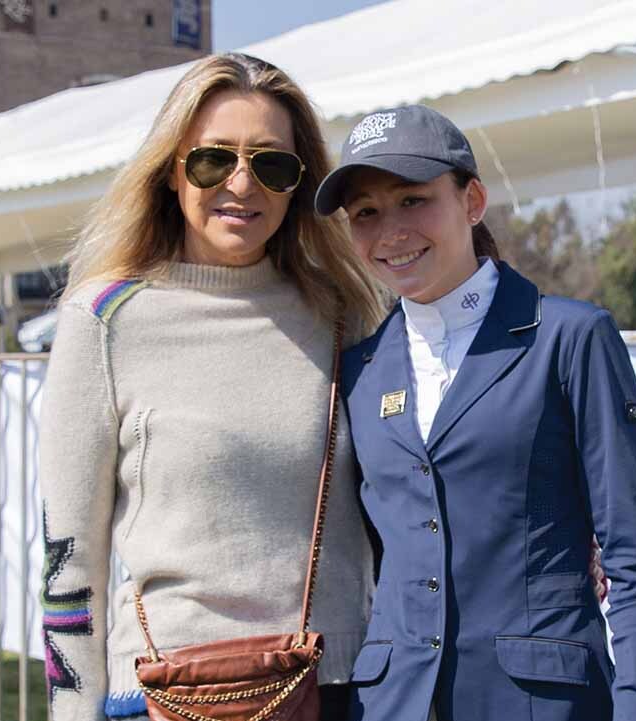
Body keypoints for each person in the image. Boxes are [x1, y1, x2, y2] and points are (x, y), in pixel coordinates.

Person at [37, 53, 386, 721]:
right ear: (171, 170)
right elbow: (69, 564)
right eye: (213, 159)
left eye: (272, 165)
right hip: (167, 694)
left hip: (334, 691)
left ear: (299, 184)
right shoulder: (104, 318)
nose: (242, 183)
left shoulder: (343, 313)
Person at [315, 105, 636, 720]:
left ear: (473, 199)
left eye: (413, 201)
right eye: (366, 213)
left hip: (542, 702)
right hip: (391, 703)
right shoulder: (357, 370)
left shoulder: (571, 339)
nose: (390, 232)